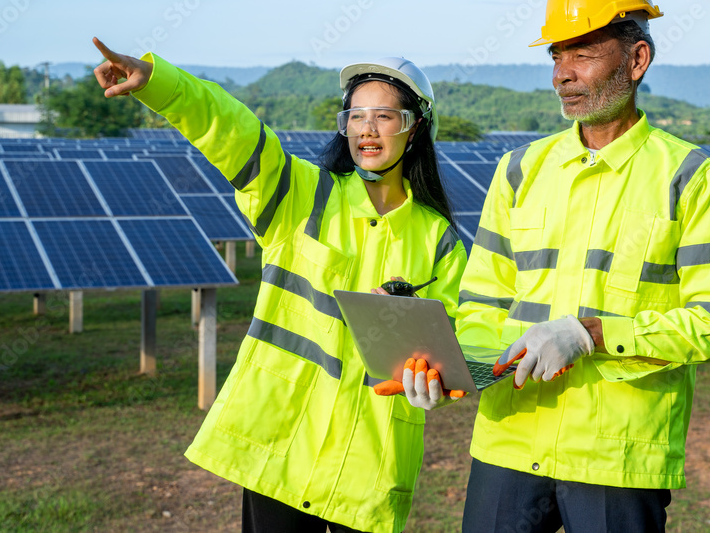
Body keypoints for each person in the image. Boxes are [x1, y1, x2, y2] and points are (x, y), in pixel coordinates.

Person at [400, 0, 710, 532]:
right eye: (556, 55)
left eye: (582, 52)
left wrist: (592, 335)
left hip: (618, 454)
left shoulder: (692, 176)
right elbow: (482, 306)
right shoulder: (518, 170)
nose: (562, 73)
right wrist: (452, 367)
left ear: (637, 60)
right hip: (510, 441)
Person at [91, 38, 467, 533]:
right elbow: (232, 128)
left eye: (384, 116)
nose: (367, 130)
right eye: (355, 116)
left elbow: (461, 339)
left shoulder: (439, 240)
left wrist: (435, 378)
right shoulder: (301, 195)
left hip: (370, 465)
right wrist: (160, 83)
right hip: (280, 448)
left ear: (415, 128)